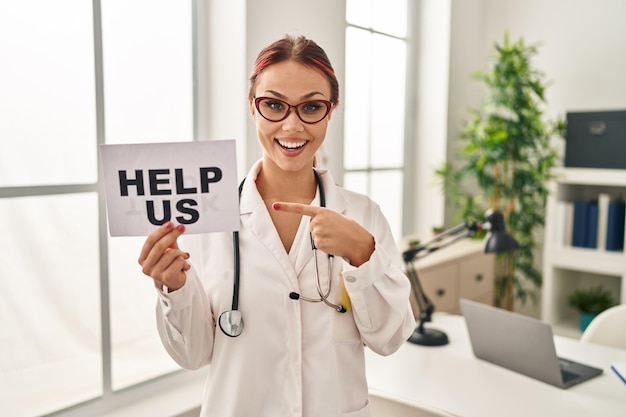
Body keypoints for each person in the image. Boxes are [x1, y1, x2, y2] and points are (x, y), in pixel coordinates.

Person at [138, 34, 416, 417]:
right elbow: (193, 354)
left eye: (312, 107)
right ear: (252, 108)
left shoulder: (363, 215)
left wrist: (363, 254)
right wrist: (175, 287)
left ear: (331, 110)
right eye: (274, 105)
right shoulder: (206, 218)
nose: (292, 125)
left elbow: (389, 338)